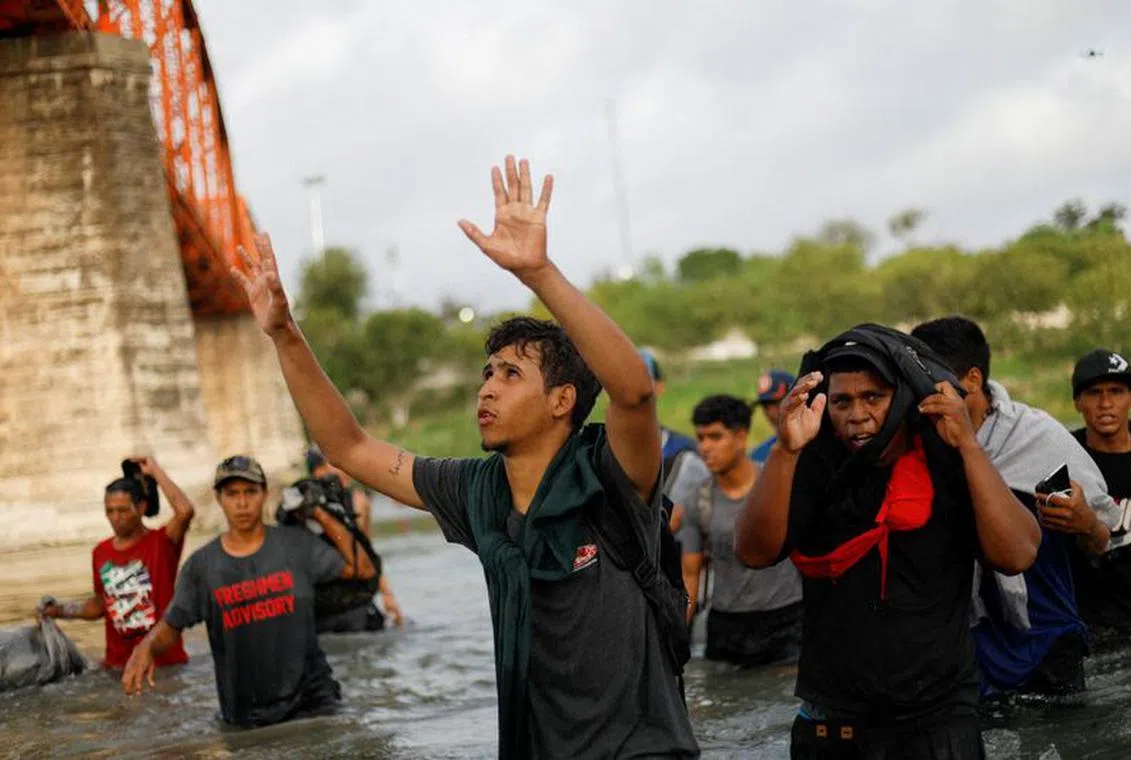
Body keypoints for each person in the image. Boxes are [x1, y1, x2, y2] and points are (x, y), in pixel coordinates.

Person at [232, 156, 698, 758]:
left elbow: (632, 390)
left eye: (510, 374)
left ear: (562, 400)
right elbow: (347, 447)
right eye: (486, 372)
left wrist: (539, 272)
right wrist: (284, 334)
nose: (487, 387)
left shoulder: (611, 475)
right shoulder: (475, 490)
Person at [735, 323, 1040, 760]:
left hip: (939, 719)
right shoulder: (814, 468)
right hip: (833, 722)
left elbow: (1017, 555)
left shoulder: (947, 461)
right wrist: (784, 451)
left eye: (872, 398)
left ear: (900, 399)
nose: (857, 414)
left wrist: (970, 447)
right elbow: (753, 552)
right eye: (841, 401)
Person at [913, 316, 1114, 700]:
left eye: (933, 384)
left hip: (1048, 643)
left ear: (972, 380)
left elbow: (1102, 539)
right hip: (964, 652)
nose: (924, 398)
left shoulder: (1038, 437)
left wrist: (1086, 522)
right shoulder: (916, 448)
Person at [121, 455, 377, 728]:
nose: (242, 503)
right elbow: (173, 625)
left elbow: (363, 570)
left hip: (313, 702)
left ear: (264, 494)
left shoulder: (297, 546)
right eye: (232, 494)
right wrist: (146, 646)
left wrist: (319, 513)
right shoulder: (202, 567)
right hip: (246, 713)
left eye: (250, 492)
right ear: (219, 499)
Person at [676, 394, 802, 666]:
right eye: (700, 438)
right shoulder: (698, 501)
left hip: (785, 622)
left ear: (741, 437)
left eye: (715, 437)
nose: (705, 448)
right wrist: (676, 641)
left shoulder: (778, 487)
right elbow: (690, 576)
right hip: (727, 628)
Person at [39, 456, 195, 669]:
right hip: (118, 667)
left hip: (165, 665)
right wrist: (61, 611)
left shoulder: (161, 543)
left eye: (122, 510)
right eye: (110, 511)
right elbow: (100, 604)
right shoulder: (100, 552)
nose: (115, 518)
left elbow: (185, 511)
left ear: (140, 508)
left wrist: (155, 471)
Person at [1070, 348, 1131, 642]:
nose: (1106, 403)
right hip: (1099, 622)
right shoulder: (1064, 456)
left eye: (1116, 391)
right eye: (1094, 393)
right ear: (1077, 402)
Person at [305, 445, 404, 629]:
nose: (347, 470)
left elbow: (368, 551)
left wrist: (388, 596)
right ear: (318, 471)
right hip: (320, 602)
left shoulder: (359, 502)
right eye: (337, 463)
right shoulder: (301, 507)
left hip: (356, 597)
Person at [638, 348, 709, 531]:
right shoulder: (597, 452)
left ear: (659, 386)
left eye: (642, 380)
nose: (633, 388)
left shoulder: (687, 451)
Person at [750, 369, 796, 465]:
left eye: (776, 404)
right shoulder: (758, 456)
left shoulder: (825, 444)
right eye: (766, 406)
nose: (771, 413)